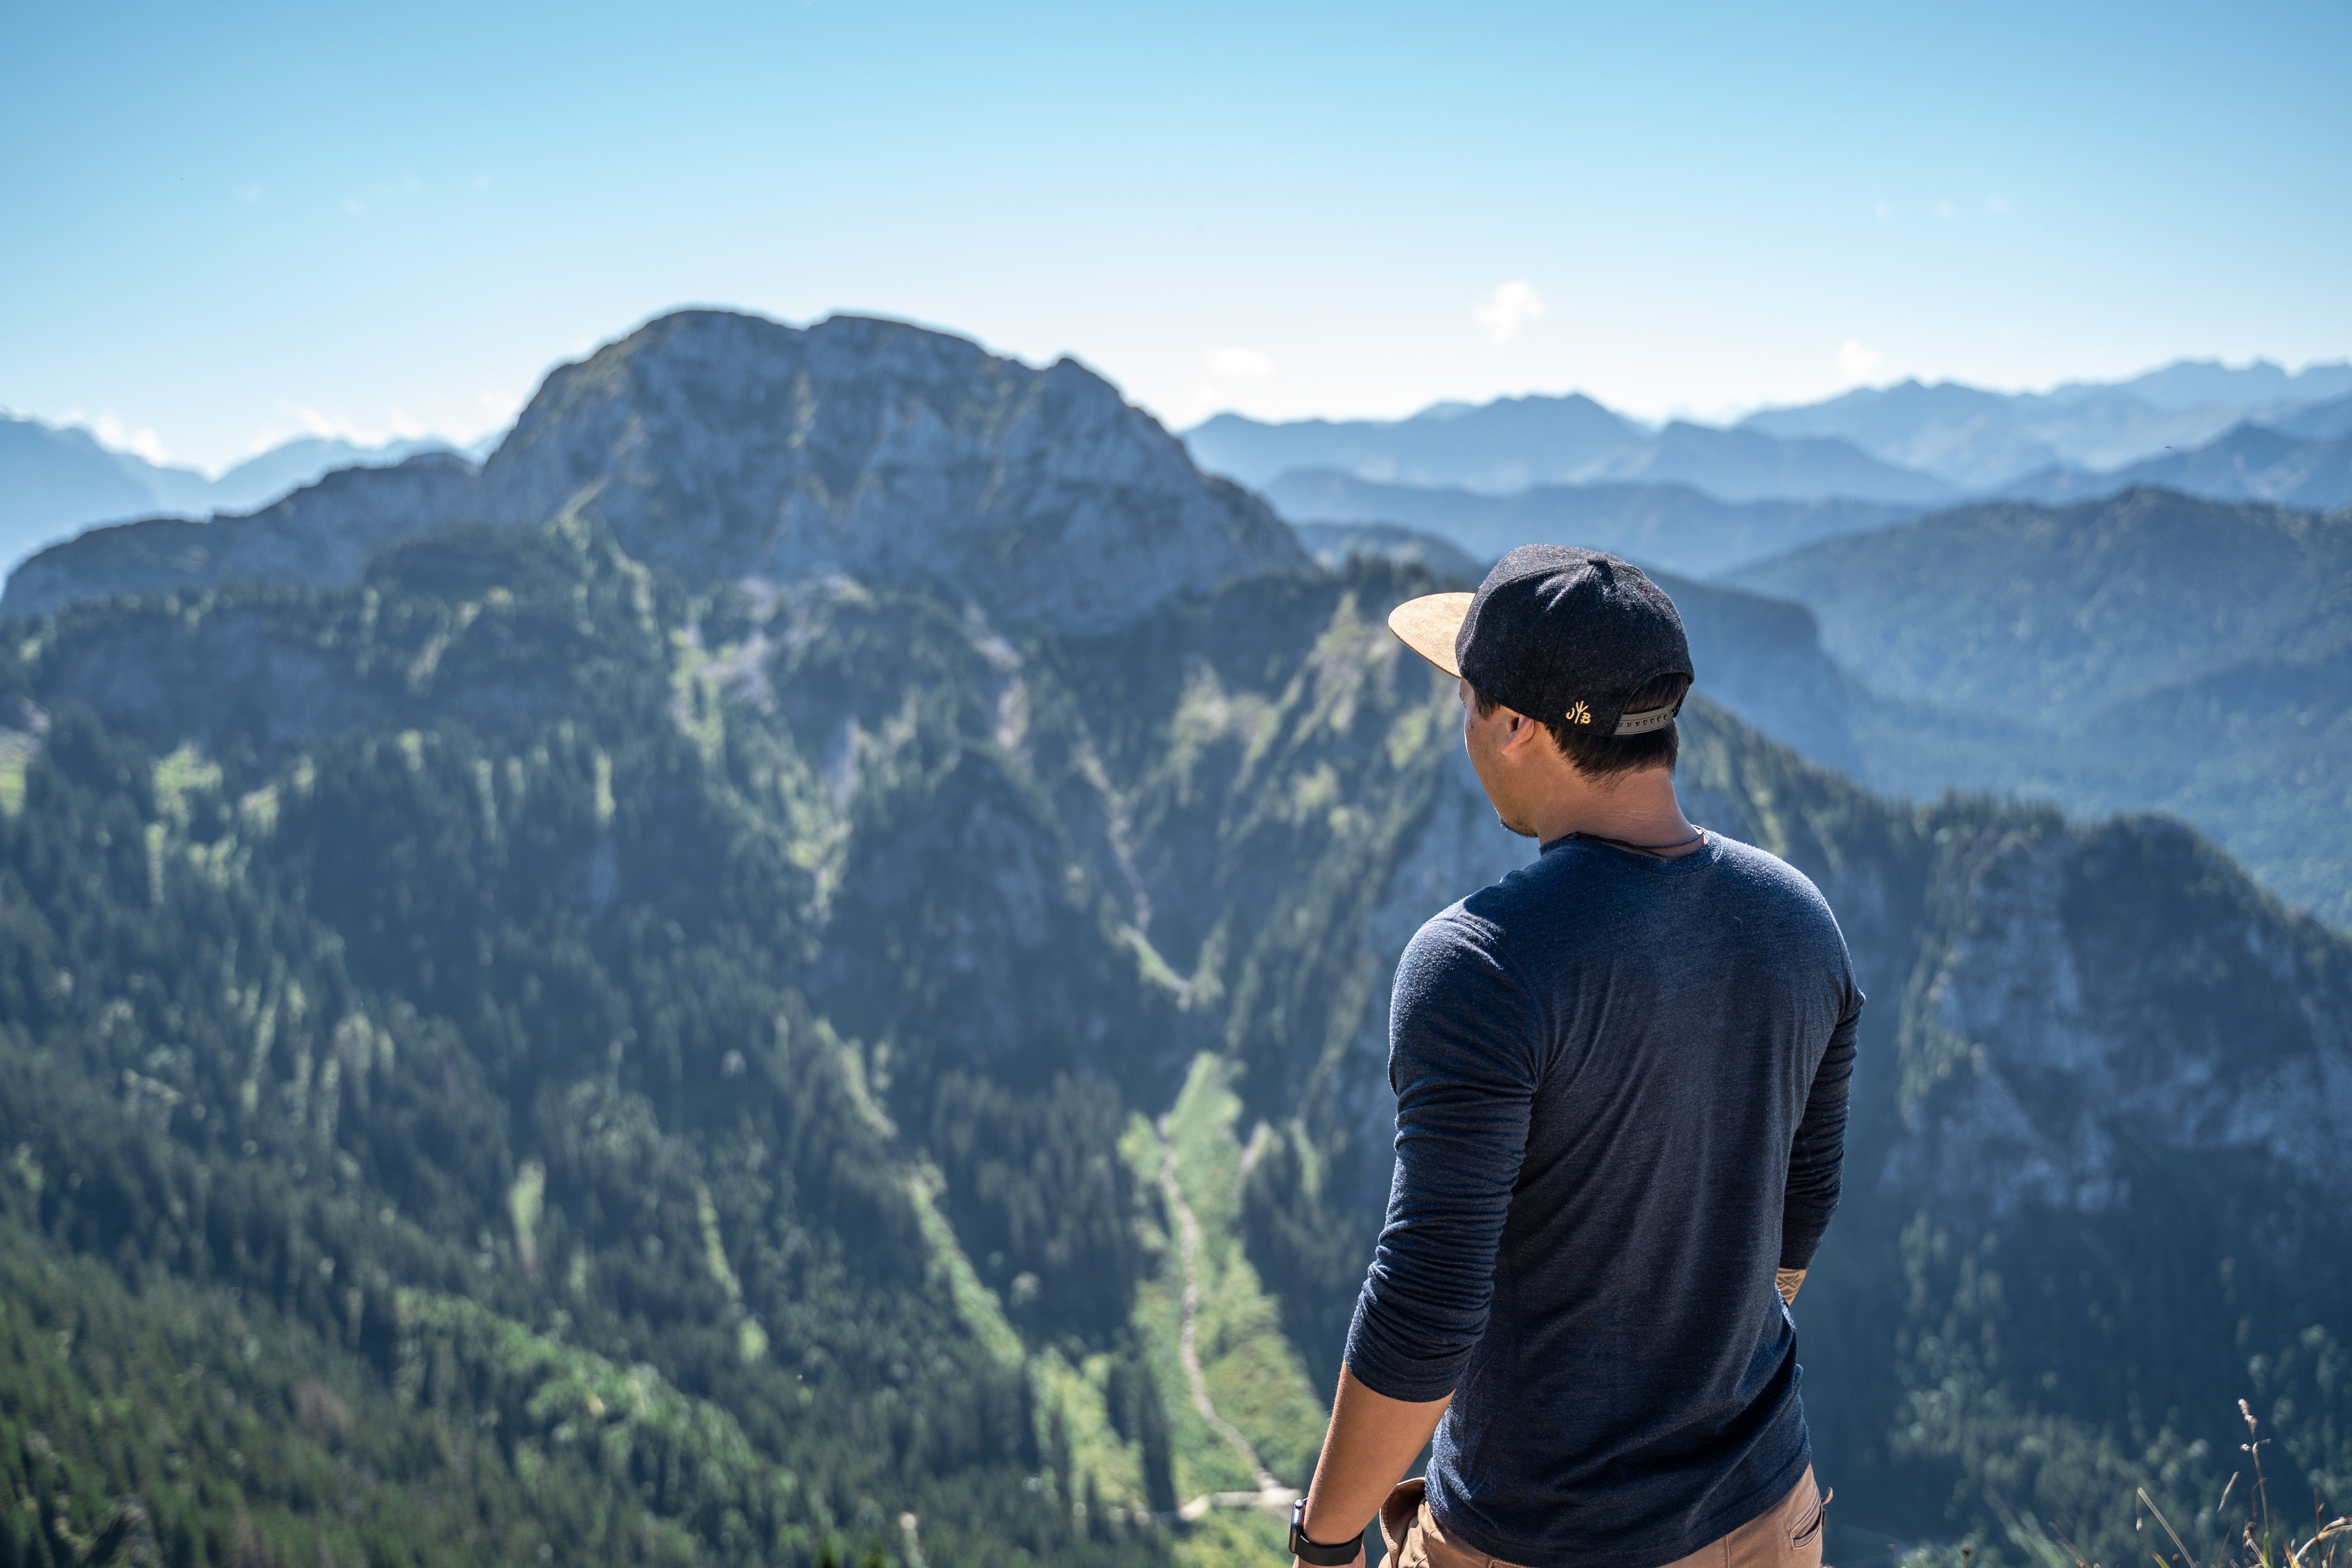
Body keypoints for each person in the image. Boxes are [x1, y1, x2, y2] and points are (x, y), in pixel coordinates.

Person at [1286, 545, 1861, 1568]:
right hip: (1769, 1514)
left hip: (1542, 1540)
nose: (1460, 725)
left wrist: (1323, 1545)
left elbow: (1426, 1306)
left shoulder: (1482, 963)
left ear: (1514, 727)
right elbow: (1801, 1201)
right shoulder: (1800, 921)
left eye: (1466, 698)